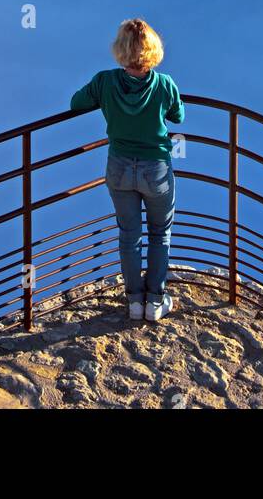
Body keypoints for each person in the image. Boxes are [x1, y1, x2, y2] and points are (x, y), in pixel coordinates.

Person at [70, 18, 185, 322]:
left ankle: (134, 301)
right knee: (160, 233)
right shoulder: (164, 84)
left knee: (128, 235)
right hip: (156, 168)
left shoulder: (105, 81)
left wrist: (105, 99)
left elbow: (75, 103)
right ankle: (156, 301)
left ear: (120, 49)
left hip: (119, 166)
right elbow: (179, 116)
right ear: (153, 50)